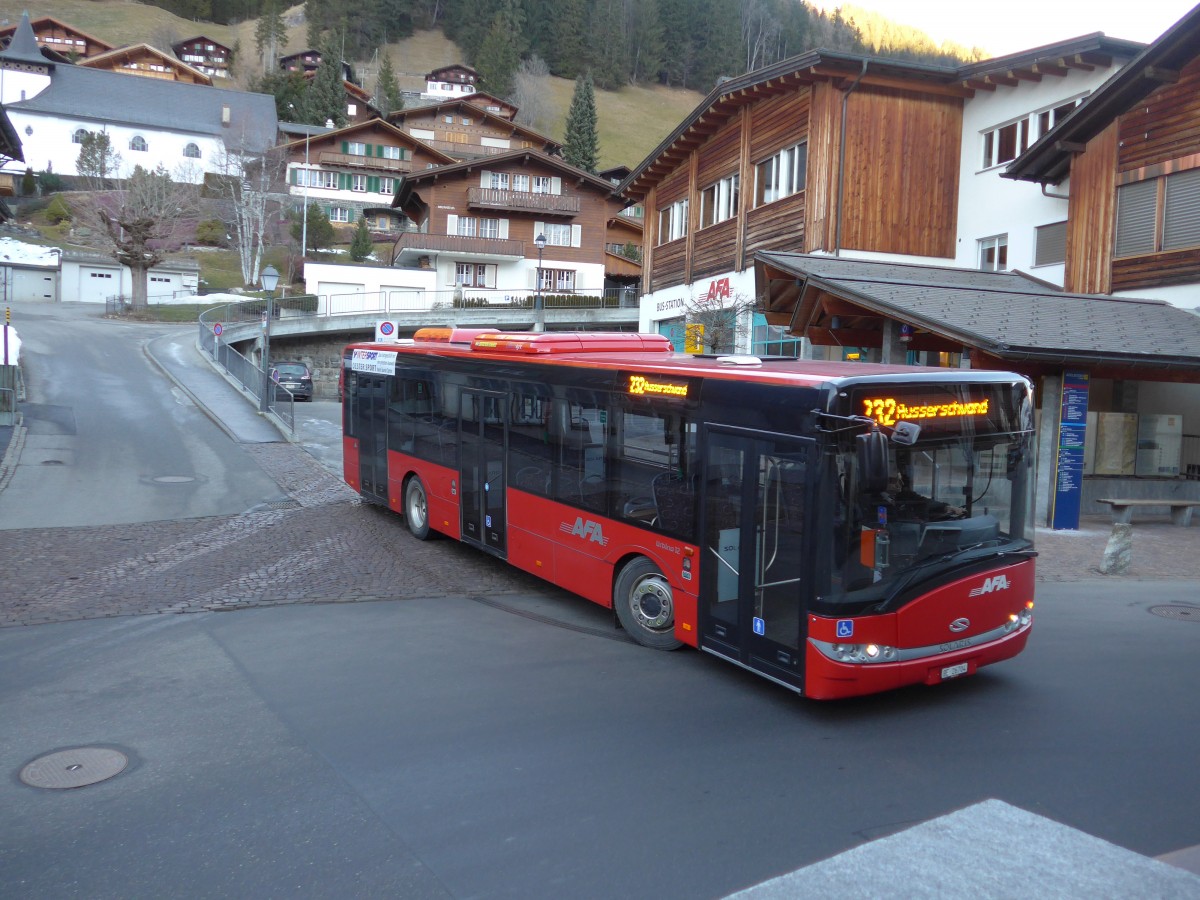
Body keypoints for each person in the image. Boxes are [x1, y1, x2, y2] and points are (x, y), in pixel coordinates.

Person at [883, 471, 965, 521]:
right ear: (885, 481)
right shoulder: (873, 499)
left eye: (900, 480)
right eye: (897, 480)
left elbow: (925, 502)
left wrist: (947, 507)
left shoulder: (906, 495)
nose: (901, 483)